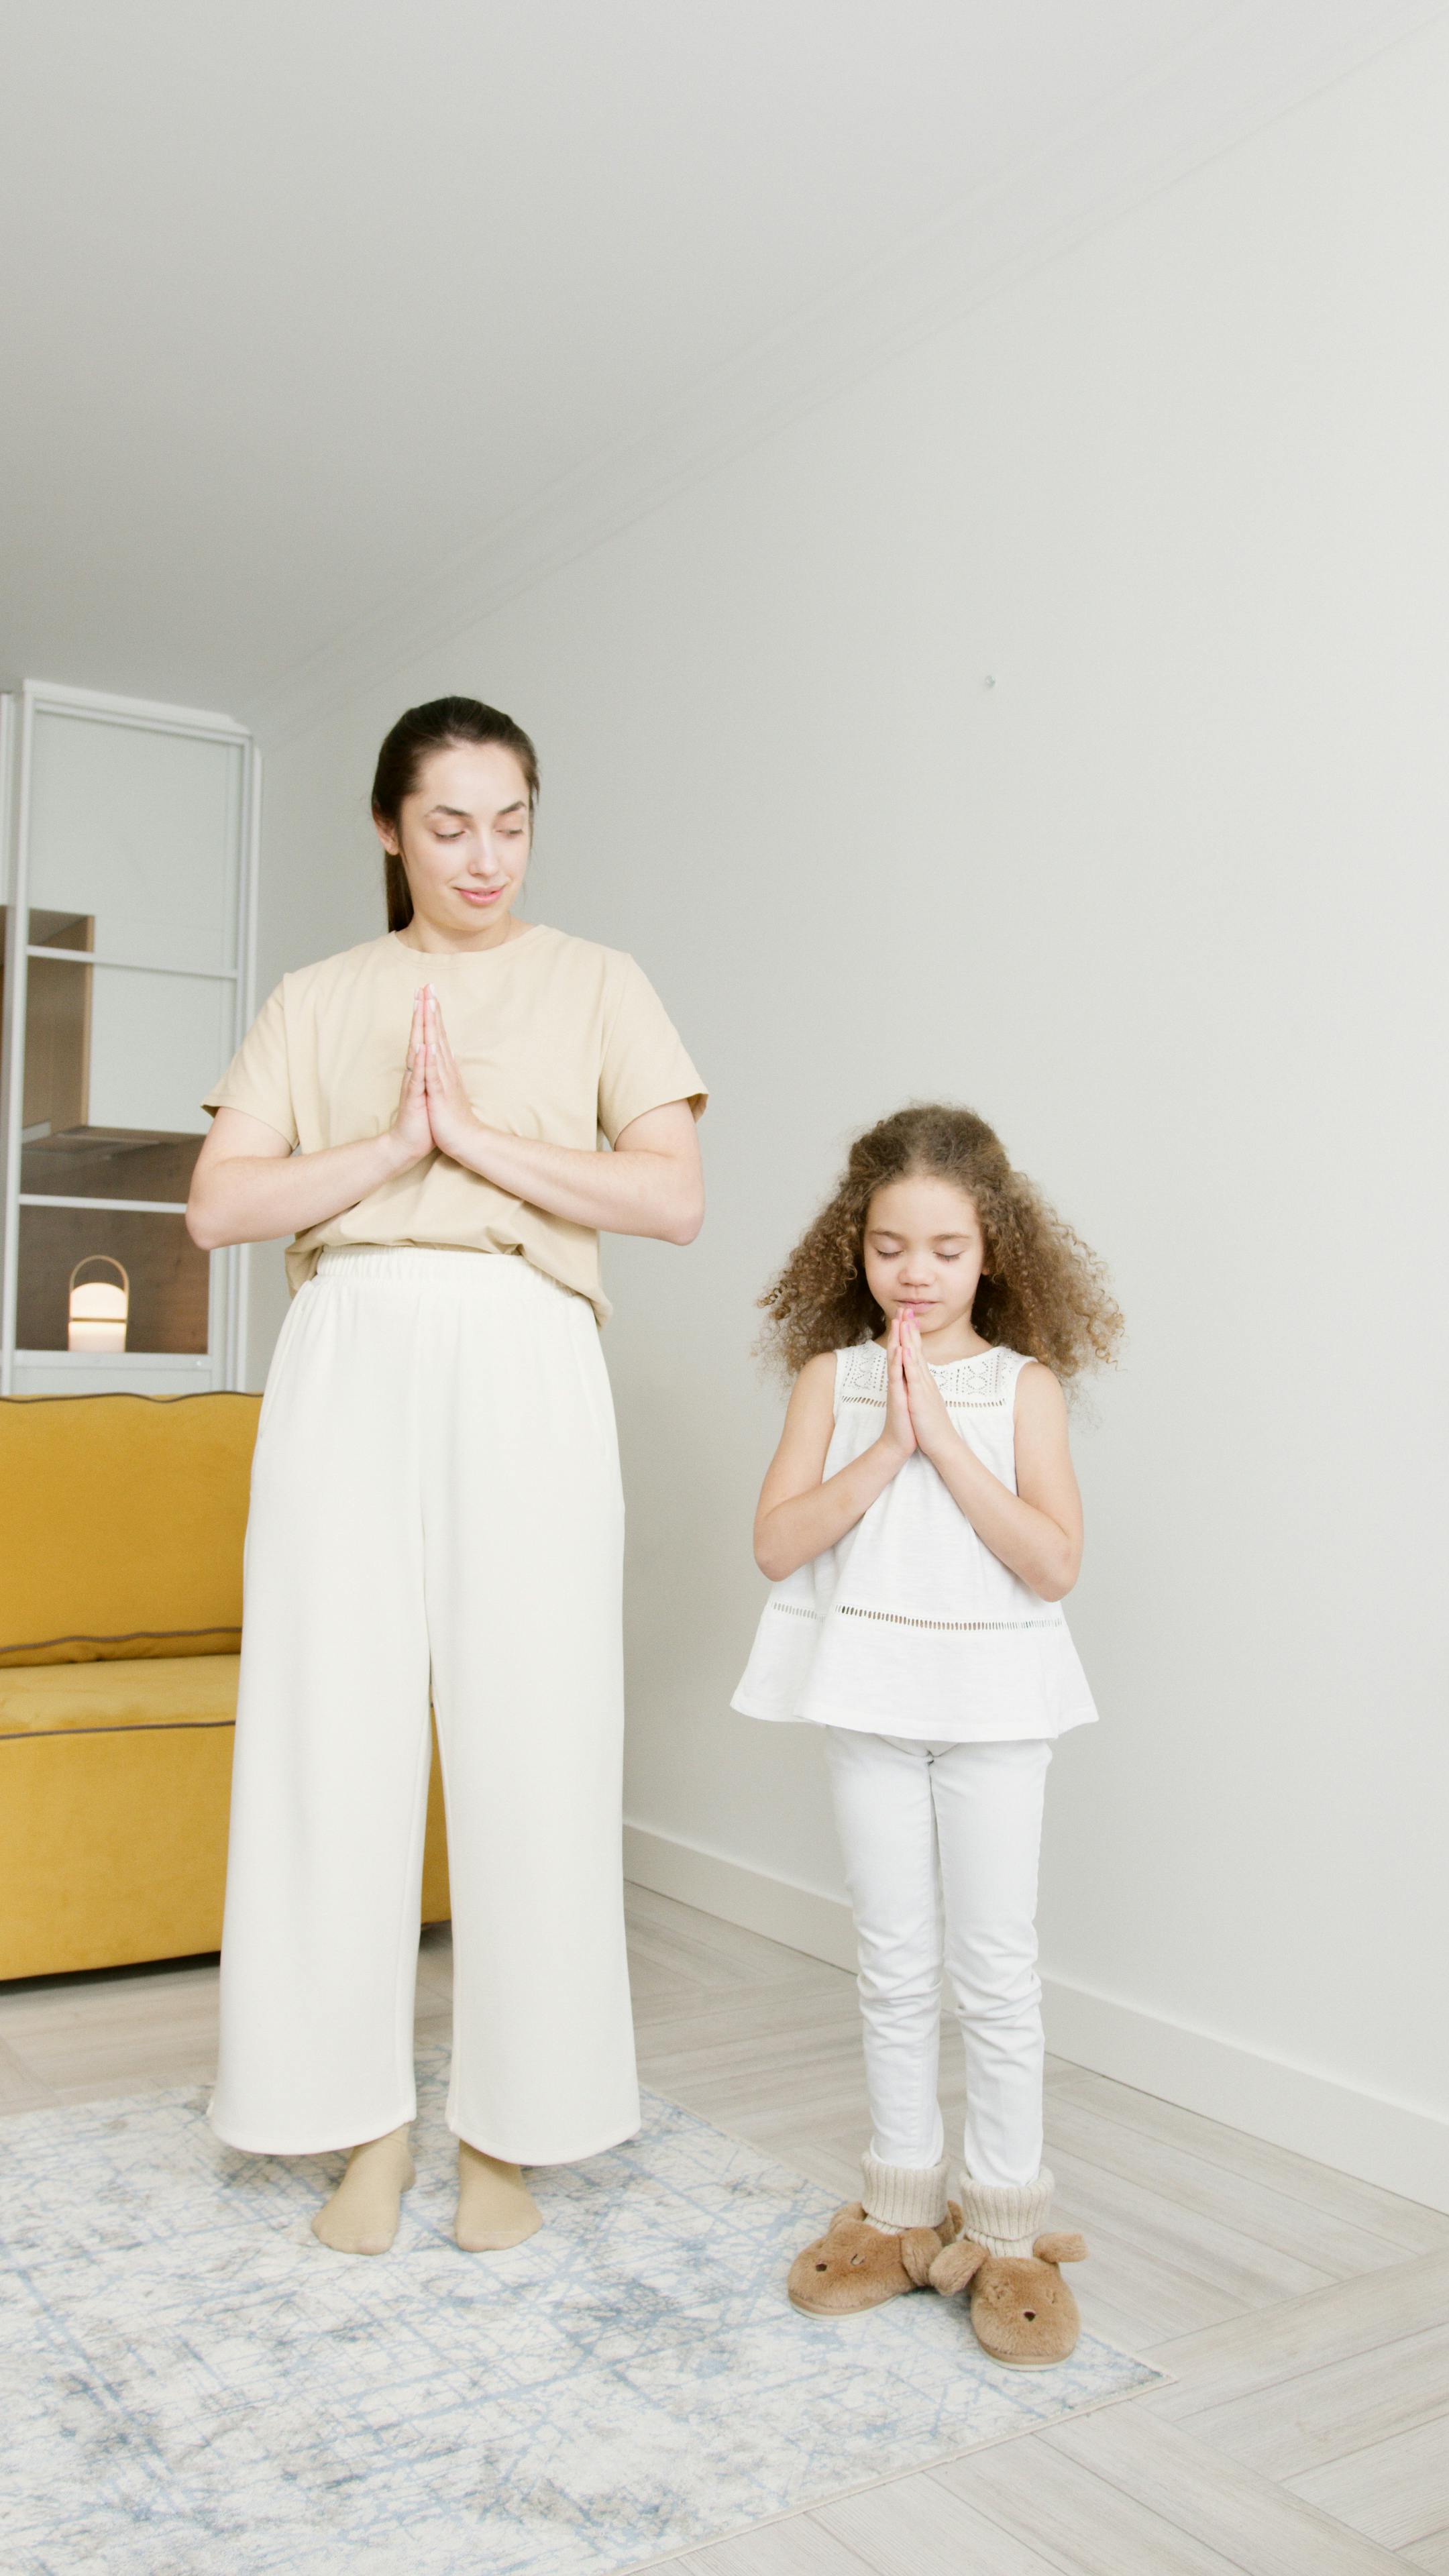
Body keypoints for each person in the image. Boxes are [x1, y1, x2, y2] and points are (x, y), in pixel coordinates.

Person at [189, 696, 706, 2257]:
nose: (484, 857)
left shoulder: (601, 983)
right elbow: (220, 1208)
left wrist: (477, 1143)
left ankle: (514, 2125)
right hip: (349, 1347)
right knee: (324, 1733)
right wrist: (395, 1145)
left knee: (535, 1732)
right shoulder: (319, 993)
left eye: (512, 821)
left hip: (526, 1352)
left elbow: (670, 1199)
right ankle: (357, 2120)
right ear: (388, 829)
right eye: (449, 825)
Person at [731, 1106, 1120, 2358]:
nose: (917, 1273)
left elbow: (1052, 1562)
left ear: (993, 1250)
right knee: (894, 1961)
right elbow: (778, 1543)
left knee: (995, 1971)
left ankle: (1007, 2234)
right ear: (857, 1247)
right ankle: (901, 2209)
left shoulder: (1025, 1389)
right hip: (873, 1702)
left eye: (946, 1249)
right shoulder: (828, 1381)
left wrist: (945, 1438)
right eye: (892, 1246)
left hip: (999, 1711)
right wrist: (887, 1437)